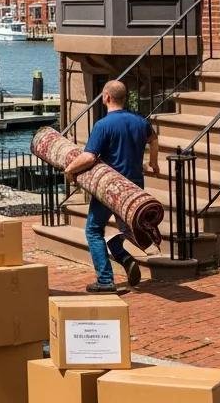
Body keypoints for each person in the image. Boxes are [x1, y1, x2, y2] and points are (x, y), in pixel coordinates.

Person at [63, 79, 160, 293]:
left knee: (94, 230)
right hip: (134, 186)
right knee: (127, 228)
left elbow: (89, 157)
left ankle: (105, 280)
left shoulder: (103, 125)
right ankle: (122, 255)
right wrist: (153, 163)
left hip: (110, 187)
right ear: (124, 98)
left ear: (106, 97)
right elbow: (154, 140)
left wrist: (70, 170)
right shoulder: (140, 121)